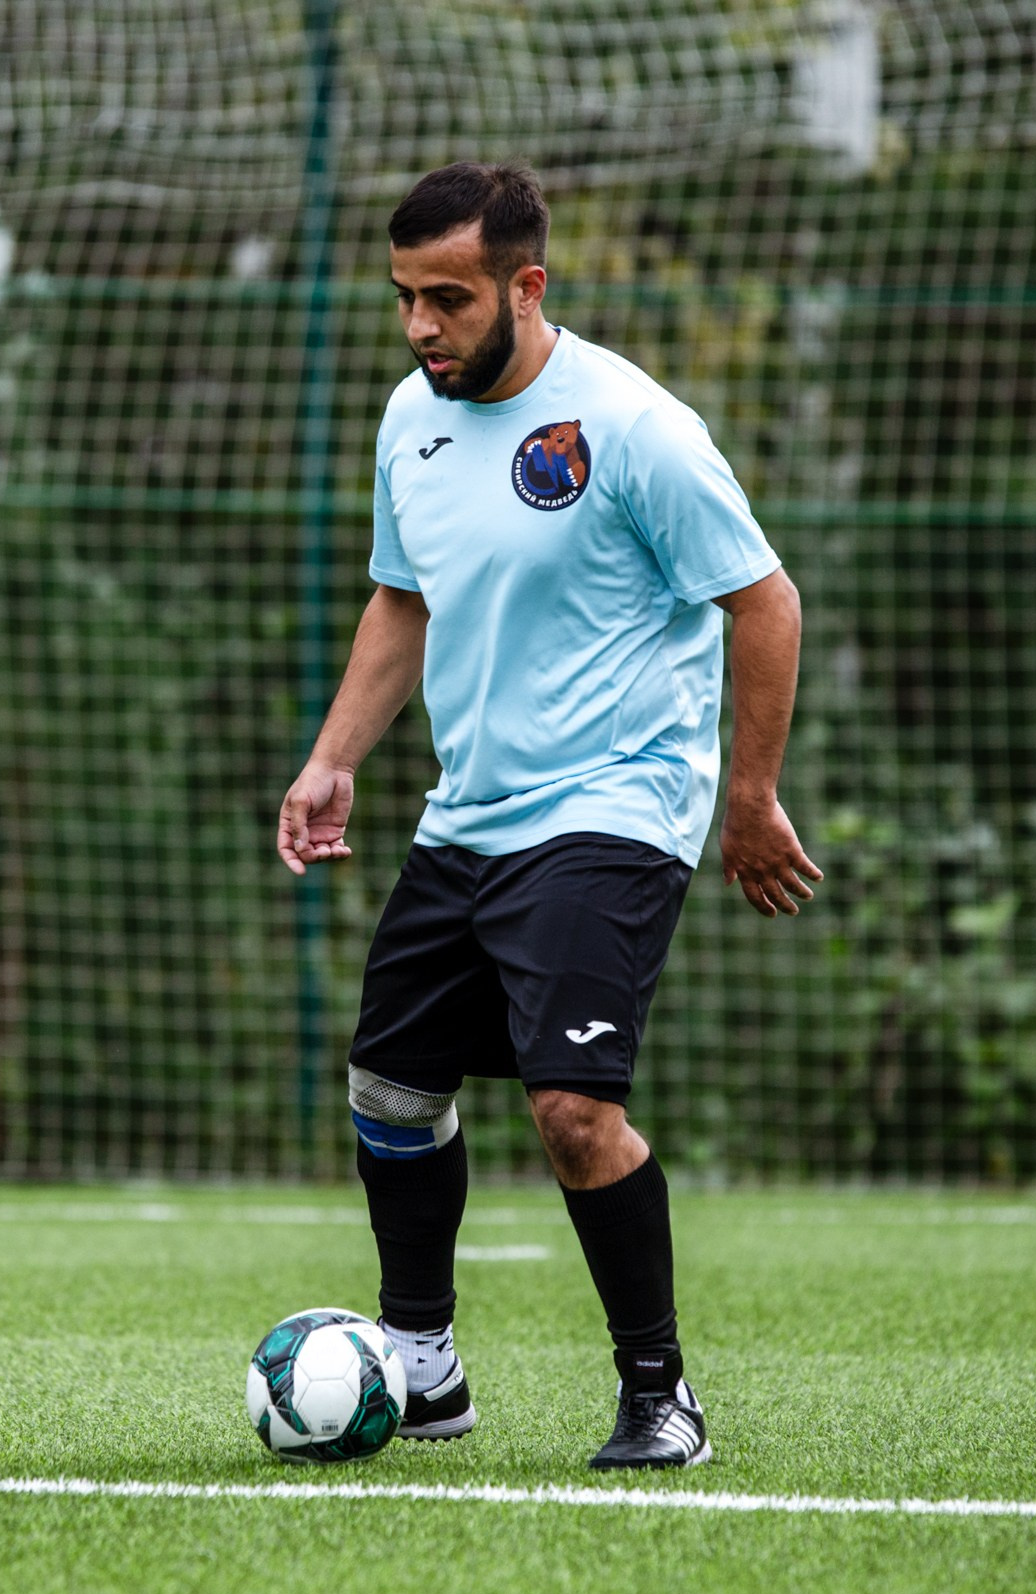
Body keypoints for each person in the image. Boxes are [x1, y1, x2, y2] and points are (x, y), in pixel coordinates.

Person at [276, 163, 819, 1469]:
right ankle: (424, 1367)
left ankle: (659, 1396)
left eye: (448, 299)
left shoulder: (633, 428)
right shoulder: (411, 414)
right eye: (405, 298)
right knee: (392, 1088)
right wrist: (334, 757)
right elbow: (403, 598)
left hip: (618, 799)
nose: (420, 326)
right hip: (469, 811)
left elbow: (765, 601)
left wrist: (745, 798)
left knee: (572, 1109)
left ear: (527, 285)